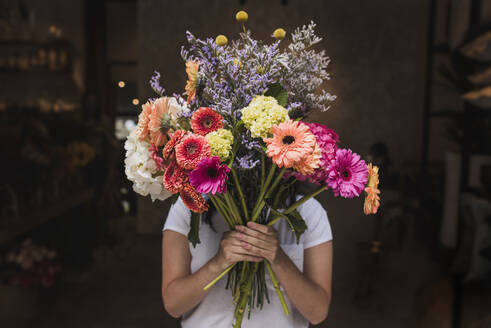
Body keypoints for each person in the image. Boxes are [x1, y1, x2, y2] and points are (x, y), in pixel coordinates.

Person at [161, 196, 333, 327]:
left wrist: (279, 259)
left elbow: (317, 312)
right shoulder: (189, 204)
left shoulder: (307, 210)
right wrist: (219, 262)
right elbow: (173, 305)